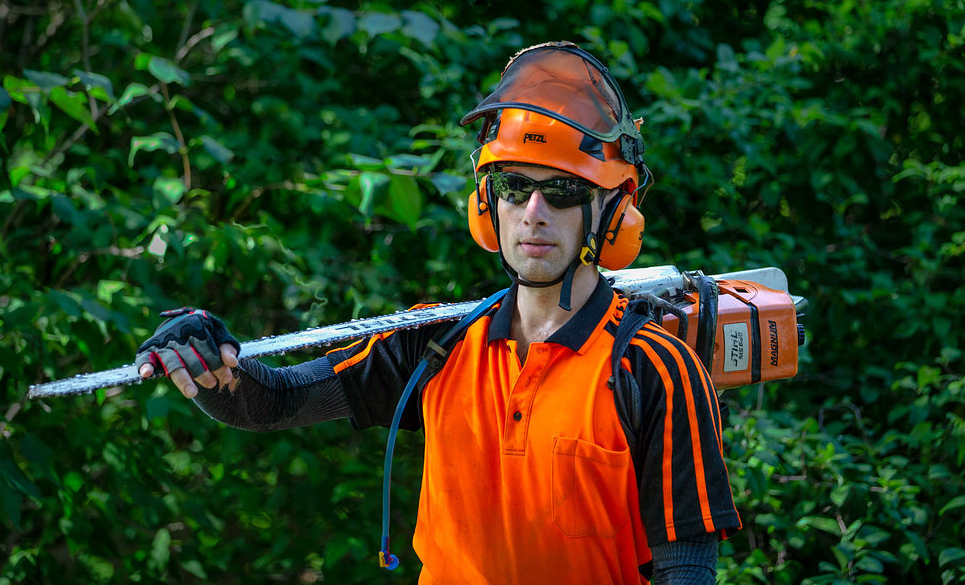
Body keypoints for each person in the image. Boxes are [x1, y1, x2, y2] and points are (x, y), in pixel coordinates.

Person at [135, 41, 741, 584]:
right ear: (486, 203)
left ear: (612, 210)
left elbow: (686, 568)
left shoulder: (655, 369)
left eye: (562, 191)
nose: (533, 212)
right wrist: (210, 358)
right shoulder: (436, 341)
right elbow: (275, 401)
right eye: (512, 186)